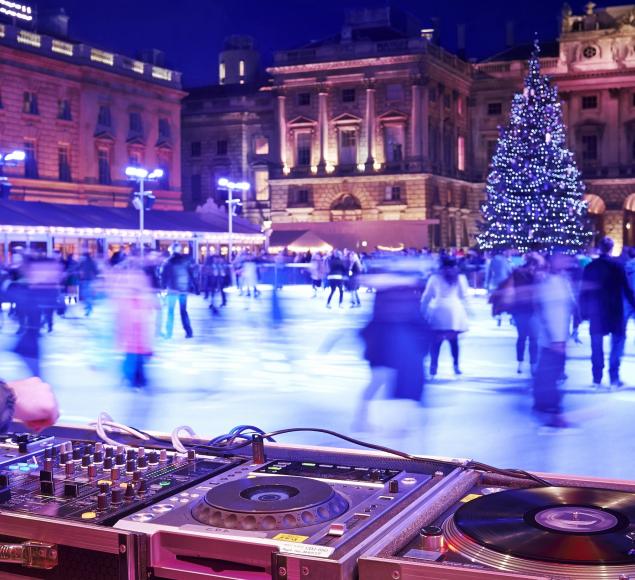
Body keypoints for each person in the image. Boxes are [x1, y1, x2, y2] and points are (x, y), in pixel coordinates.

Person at [580, 237, 635, 387]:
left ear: (599, 248)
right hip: (614, 309)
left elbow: (583, 291)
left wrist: (583, 311)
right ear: (611, 248)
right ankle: (614, 376)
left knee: (596, 345)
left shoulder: (590, 267)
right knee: (617, 341)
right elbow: (627, 289)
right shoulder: (617, 267)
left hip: (596, 310)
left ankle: (597, 377)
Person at [532, 254, 575, 428]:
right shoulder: (546, 281)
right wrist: (553, 337)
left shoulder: (564, 280)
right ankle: (550, 406)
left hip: (560, 333)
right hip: (552, 335)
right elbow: (542, 308)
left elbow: (570, 305)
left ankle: (544, 403)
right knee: (550, 370)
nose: (566, 261)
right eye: (561, 258)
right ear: (552, 262)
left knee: (551, 370)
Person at [421, 256, 470, 376]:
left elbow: (427, 296)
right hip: (454, 311)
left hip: (439, 309)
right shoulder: (459, 278)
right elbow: (464, 296)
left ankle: (434, 366)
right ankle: (456, 365)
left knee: (436, 342)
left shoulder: (434, 278)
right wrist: (469, 310)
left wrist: (422, 310)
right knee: (453, 341)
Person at [509, 253, 545, 374]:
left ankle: (523, 363)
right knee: (531, 338)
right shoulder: (532, 275)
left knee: (524, 338)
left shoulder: (518, 273)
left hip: (521, 309)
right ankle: (530, 364)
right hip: (530, 310)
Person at [161, 244, 194, 339]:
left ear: (172, 250)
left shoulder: (168, 261)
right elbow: (191, 274)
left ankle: (169, 333)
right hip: (183, 289)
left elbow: (164, 275)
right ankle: (189, 331)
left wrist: (163, 286)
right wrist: (192, 286)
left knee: (170, 311)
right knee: (183, 311)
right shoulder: (185, 260)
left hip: (172, 289)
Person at [485, 250, 513, 326]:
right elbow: (509, 271)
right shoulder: (505, 261)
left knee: (496, 300)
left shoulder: (492, 261)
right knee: (506, 300)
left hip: (494, 283)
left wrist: (487, 284)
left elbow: (489, 273)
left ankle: (498, 315)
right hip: (504, 283)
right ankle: (510, 317)